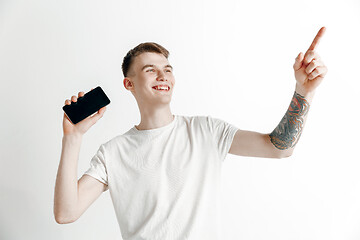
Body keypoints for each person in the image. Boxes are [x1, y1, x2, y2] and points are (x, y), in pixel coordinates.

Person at [54, 27, 328, 239]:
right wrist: (73, 138)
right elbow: (66, 212)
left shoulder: (207, 131)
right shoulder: (113, 153)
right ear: (129, 84)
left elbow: (279, 147)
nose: (163, 76)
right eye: (151, 70)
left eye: (167, 70)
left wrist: (304, 91)